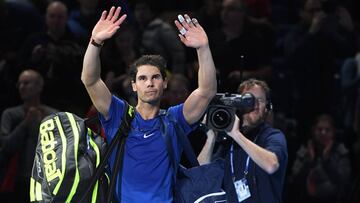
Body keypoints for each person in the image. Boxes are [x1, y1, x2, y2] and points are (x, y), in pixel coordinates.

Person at [81, 6, 217, 203]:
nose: (150, 82)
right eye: (143, 78)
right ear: (134, 86)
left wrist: (203, 48)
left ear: (165, 82)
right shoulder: (118, 114)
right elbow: (90, 80)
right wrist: (95, 42)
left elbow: (207, 91)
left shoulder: (175, 119)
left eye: (155, 77)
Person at [198, 78, 288, 202]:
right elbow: (200, 175)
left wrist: (236, 134)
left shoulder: (272, 136)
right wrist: (211, 136)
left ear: (267, 107)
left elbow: (271, 165)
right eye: (249, 99)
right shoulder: (229, 142)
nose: (255, 104)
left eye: (260, 100)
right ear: (238, 104)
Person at [0, 69, 57, 203]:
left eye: (26, 83)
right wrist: (25, 123)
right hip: (15, 181)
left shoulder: (53, 115)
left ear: (39, 86)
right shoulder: (10, 114)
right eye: (19, 84)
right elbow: (6, 146)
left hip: (46, 181)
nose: (21, 87)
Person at [288, 114, 351, 203]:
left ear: (333, 132)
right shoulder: (306, 149)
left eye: (327, 130)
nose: (323, 133)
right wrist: (309, 161)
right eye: (320, 129)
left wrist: (327, 161)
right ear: (314, 131)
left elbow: (344, 181)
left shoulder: (340, 152)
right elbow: (294, 179)